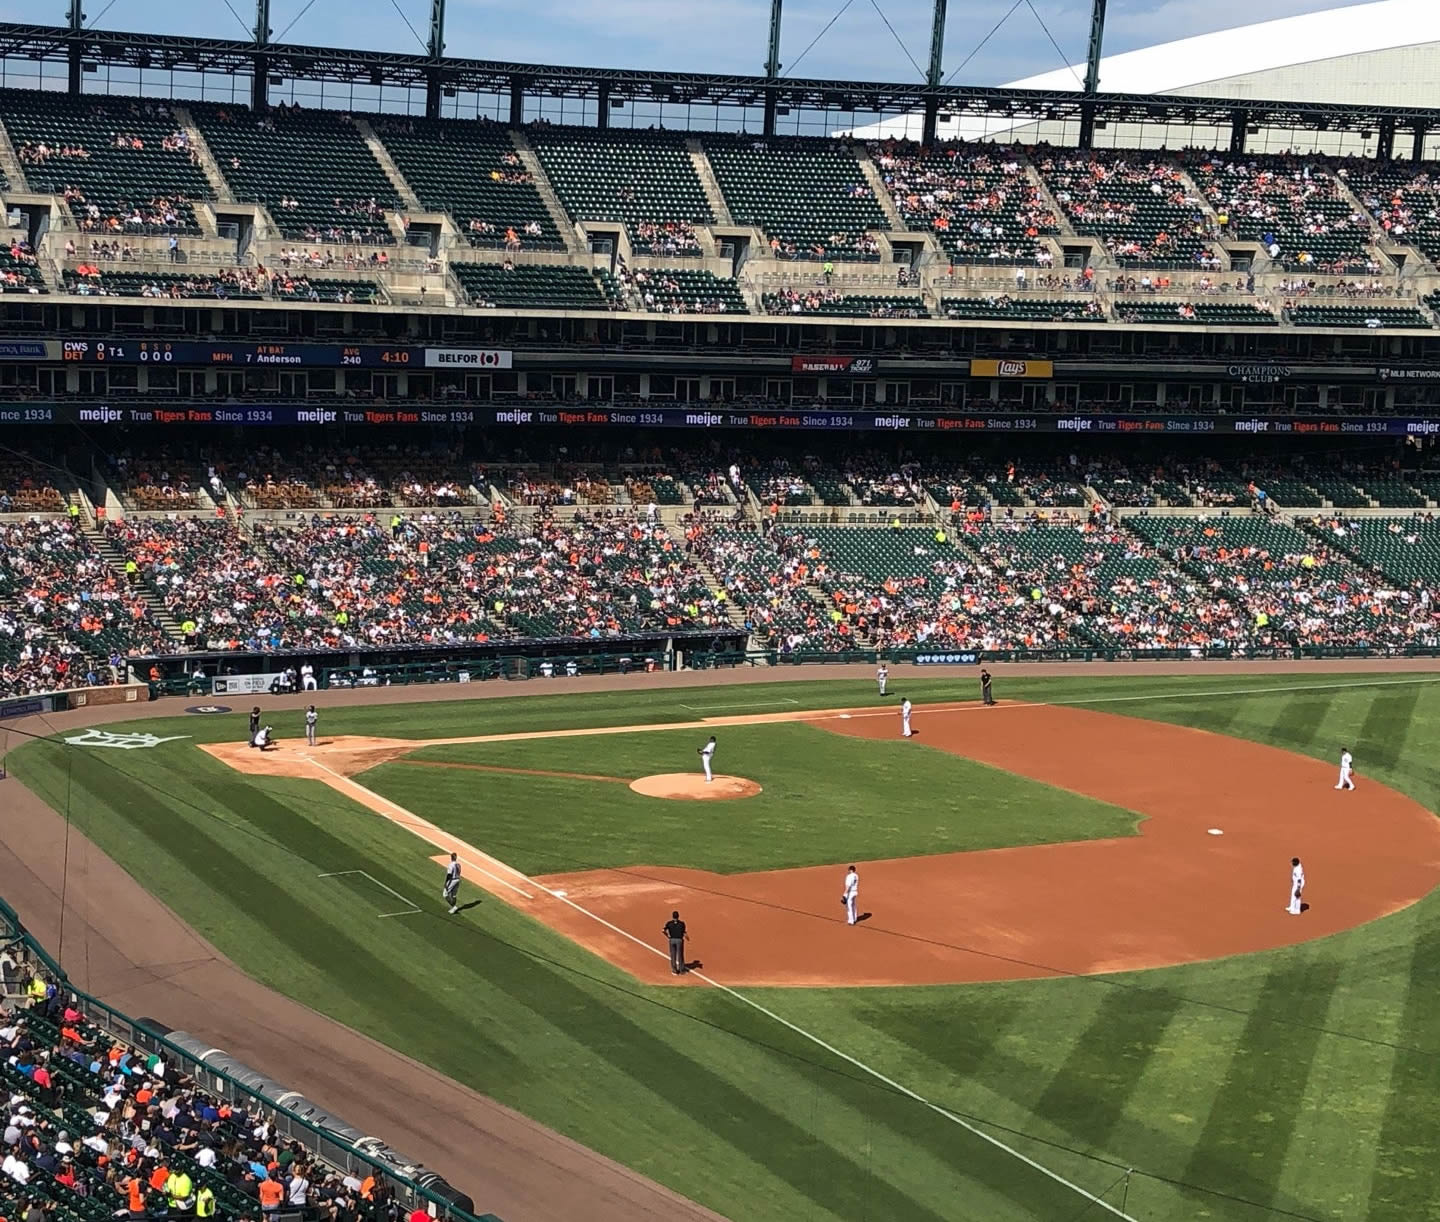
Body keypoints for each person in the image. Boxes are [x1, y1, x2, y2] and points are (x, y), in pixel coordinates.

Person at [663, 910, 687, 974]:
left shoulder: (669, 923)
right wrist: (687, 938)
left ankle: (674, 970)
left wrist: (668, 936)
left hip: (672, 940)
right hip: (679, 940)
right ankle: (681, 970)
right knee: (680, 955)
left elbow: (663, 930)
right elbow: (684, 932)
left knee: (673, 955)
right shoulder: (682, 923)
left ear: (672, 916)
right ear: (678, 916)